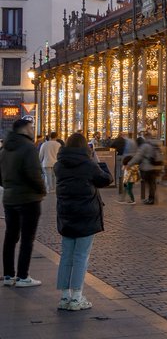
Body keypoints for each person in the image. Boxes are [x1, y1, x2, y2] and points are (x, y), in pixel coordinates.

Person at [53, 132, 112, 310]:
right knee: (81, 256)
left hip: (66, 213)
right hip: (86, 214)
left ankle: (64, 297)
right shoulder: (88, 164)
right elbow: (106, 180)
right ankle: (77, 297)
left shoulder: (59, 165)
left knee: (66, 255)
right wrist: (98, 161)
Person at [0, 116, 47, 287]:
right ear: (25, 129)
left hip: (9, 198)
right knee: (27, 238)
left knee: (10, 236)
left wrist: (9, 185)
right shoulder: (28, 147)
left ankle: (8, 275)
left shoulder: (5, 149)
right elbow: (34, 173)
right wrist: (42, 190)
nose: (33, 129)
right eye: (31, 126)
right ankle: (22, 276)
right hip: (28, 198)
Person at [129, 133, 164, 205]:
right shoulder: (157, 145)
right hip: (156, 167)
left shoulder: (145, 146)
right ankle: (152, 198)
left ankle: (151, 199)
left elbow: (138, 156)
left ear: (146, 137)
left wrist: (129, 164)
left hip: (148, 168)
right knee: (152, 183)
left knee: (149, 183)